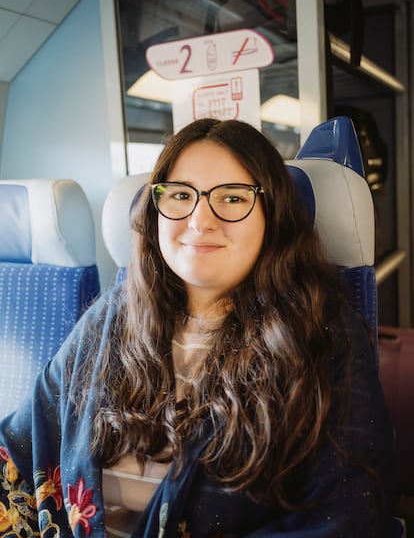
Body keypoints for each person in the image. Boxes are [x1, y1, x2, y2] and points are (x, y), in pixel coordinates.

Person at [0, 118, 395, 537]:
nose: (200, 219)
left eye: (232, 197)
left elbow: (347, 516)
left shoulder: (323, 334)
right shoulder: (111, 318)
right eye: (181, 195)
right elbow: (19, 445)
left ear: (272, 214)